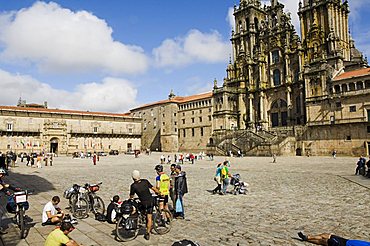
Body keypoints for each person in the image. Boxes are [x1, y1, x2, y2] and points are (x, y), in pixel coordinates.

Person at [129, 170, 159, 240]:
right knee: (149, 218)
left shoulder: (133, 186)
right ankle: (147, 233)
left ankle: (141, 218)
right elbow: (153, 188)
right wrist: (159, 192)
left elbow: (131, 196)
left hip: (143, 203)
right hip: (150, 201)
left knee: (139, 208)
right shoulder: (145, 181)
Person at [297, 231, 370, 246]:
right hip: (346, 240)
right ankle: (307, 237)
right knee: (326, 235)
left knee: (324, 241)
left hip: (342, 245)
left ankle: (306, 239)